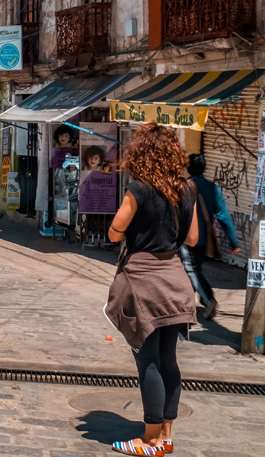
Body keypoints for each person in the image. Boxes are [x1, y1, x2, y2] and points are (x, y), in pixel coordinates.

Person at [104, 123, 199, 457]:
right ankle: (167, 435)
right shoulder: (187, 189)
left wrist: (127, 227)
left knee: (149, 362)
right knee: (169, 358)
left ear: (140, 154)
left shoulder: (138, 189)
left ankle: (149, 441)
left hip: (144, 282)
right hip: (175, 279)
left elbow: (115, 232)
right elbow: (192, 239)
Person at [180, 154, 241, 320]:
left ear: (187, 168)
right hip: (204, 239)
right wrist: (233, 241)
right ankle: (187, 305)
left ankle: (208, 299)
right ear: (205, 169)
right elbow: (224, 216)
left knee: (190, 269)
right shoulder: (213, 188)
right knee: (194, 270)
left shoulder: (184, 187)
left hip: (186, 237)